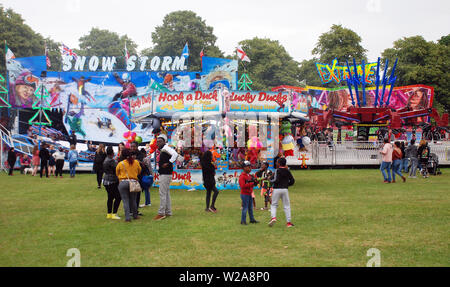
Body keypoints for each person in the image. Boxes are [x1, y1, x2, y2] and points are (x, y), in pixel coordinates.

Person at [154, 134, 179, 221]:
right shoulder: (163, 149)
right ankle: (168, 212)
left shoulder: (166, 148)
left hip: (165, 173)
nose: (158, 143)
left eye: (160, 141)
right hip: (165, 173)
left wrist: (169, 162)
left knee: (162, 193)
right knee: (166, 193)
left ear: (164, 142)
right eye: (157, 142)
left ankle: (161, 213)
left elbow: (175, 154)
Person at [268, 157, 295, 228]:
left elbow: (276, 180)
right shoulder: (287, 170)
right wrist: (286, 184)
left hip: (277, 189)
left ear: (279, 163)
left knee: (274, 205)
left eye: (277, 162)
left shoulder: (277, 170)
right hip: (285, 190)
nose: (276, 163)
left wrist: (270, 180)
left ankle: (273, 218)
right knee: (287, 206)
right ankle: (288, 222)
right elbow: (292, 181)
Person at [116, 148, 141, 222]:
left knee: (125, 200)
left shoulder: (121, 163)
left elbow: (117, 173)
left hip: (123, 182)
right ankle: (135, 215)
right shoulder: (136, 162)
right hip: (133, 182)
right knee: (133, 200)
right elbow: (139, 171)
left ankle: (127, 217)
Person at [103, 146, 122, 220]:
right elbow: (117, 168)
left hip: (106, 180)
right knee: (118, 197)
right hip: (112, 181)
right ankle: (114, 213)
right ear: (112, 153)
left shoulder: (106, 159)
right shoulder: (111, 161)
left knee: (110, 197)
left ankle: (109, 213)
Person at [239, 161, 259, 225]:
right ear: (244, 168)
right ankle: (243, 221)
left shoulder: (249, 175)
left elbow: (252, 183)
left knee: (250, 208)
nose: (250, 168)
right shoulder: (242, 176)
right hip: (244, 194)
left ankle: (252, 219)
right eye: (248, 167)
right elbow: (243, 186)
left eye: (250, 167)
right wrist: (252, 183)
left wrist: (255, 182)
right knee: (245, 208)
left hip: (249, 193)